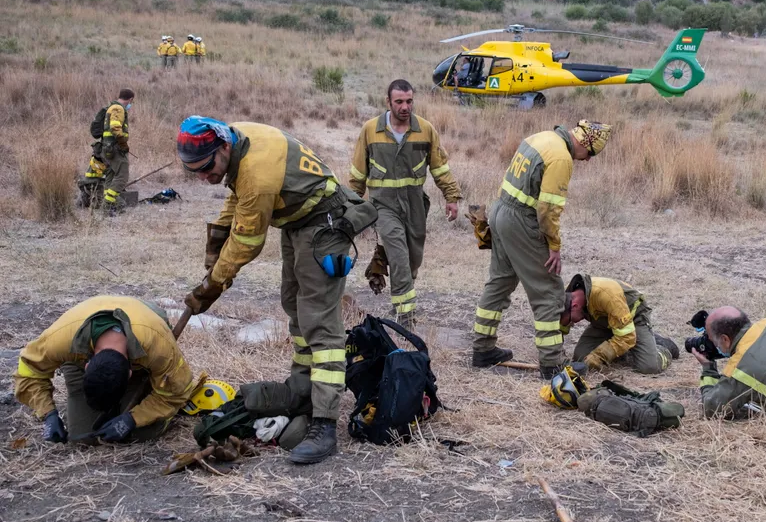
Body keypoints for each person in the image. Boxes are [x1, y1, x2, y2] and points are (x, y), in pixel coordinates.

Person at [177, 116, 375, 464]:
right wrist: (215, 244)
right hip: (297, 223)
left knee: (320, 320)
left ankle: (325, 423)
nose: (203, 176)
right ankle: (301, 391)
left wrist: (212, 284)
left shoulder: (257, 171)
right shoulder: (238, 139)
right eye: (193, 169)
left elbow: (248, 242)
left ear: (223, 147)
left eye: (206, 167)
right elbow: (236, 201)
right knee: (294, 308)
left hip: (324, 224)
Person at [470, 119, 612, 379]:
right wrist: (554, 246)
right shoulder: (561, 158)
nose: (588, 160)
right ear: (585, 142)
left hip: (500, 211)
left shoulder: (541, 137)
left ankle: (482, 349)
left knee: (499, 283)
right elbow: (548, 210)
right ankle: (552, 363)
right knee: (549, 291)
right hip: (521, 220)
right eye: (591, 153)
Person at [348, 80, 461, 327]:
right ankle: (405, 318)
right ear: (388, 102)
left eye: (409, 101)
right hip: (383, 206)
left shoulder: (425, 130)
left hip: (415, 204)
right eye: (399, 101)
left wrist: (451, 197)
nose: (405, 107)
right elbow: (358, 175)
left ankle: (384, 261)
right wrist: (350, 207)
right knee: (399, 257)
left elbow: (440, 168)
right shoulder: (370, 130)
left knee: (411, 262)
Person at [14, 296, 196, 444]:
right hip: (81, 334)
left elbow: (176, 392)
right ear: (86, 366)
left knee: (142, 433)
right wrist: (48, 414)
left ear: (131, 374)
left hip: (145, 317)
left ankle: (142, 387)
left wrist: (132, 419)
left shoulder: (157, 346)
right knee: (83, 437)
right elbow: (28, 371)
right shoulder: (60, 341)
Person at [560, 273, 678, 374]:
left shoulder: (608, 295)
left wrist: (599, 355)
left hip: (632, 320)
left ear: (575, 306)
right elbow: (561, 325)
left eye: (571, 321)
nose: (573, 324)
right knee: (581, 358)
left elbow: (627, 337)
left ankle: (662, 346)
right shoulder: (565, 296)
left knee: (649, 367)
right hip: (604, 323)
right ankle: (631, 347)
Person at [100, 88, 134, 213]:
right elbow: (115, 127)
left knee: (110, 175)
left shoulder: (112, 107)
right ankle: (107, 204)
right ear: (130, 99)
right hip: (115, 148)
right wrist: (123, 143)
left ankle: (112, 205)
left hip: (107, 148)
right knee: (122, 177)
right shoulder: (118, 108)